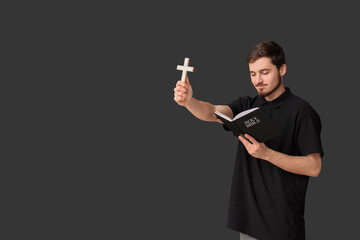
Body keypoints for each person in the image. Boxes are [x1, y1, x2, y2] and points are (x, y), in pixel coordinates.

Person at [173, 41, 324, 240]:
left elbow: (314, 167)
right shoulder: (247, 105)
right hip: (248, 221)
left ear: (282, 69)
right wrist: (189, 102)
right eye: (253, 74)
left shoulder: (302, 111)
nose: (258, 80)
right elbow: (211, 113)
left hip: (282, 225)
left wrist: (266, 154)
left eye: (264, 72)